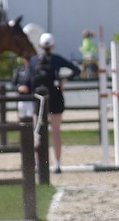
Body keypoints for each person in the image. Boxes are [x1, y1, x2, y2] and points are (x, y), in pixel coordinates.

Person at [29, 32, 81, 173]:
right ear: (53, 45)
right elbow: (76, 70)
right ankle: (57, 163)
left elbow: (29, 81)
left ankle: (38, 163)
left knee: (38, 132)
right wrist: (64, 80)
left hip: (39, 99)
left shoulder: (33, 61)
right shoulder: (57, 60)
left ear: (40, 46)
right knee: (56, 132)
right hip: (55, 97)